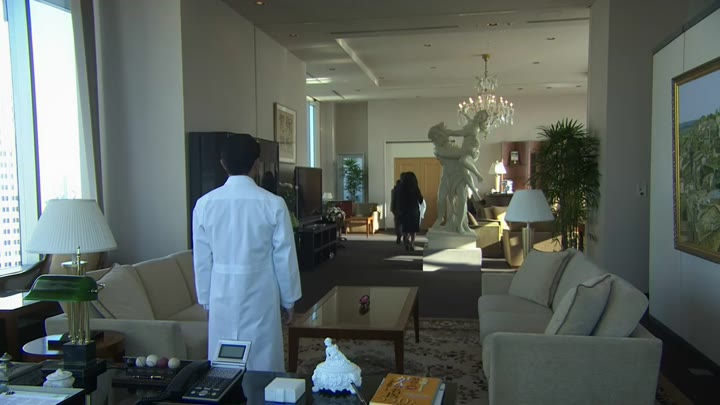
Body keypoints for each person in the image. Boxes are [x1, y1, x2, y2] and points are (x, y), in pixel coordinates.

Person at [192, 133, 302, 372]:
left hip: (221, 291)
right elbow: (284, 256)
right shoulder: (272, 203)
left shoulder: (204, 204)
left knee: (224, 357)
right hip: (260, 289)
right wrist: (289, 299)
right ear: (257, 164)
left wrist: (205, 300)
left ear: (223, 163)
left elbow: (202, 260)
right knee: (262, 354)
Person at [396, 172, 424, 250]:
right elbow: (421, 200)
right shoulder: (415, 188)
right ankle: (412, 243)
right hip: (414, 211)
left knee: (406, 229)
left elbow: (399, 200)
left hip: (405, 211)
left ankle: (406, 243)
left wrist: (399, 210)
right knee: (413, 230)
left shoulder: (401, 188)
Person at [390, 178, 403, 244]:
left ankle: (399, 236)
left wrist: (392, 209)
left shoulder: (393, 190)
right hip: (403, 209)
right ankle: (404, 236)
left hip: (396, 209)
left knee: (397, 224)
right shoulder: (404, 190)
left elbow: (393, 200)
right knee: (403, 224)